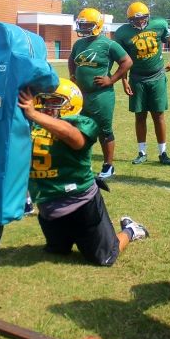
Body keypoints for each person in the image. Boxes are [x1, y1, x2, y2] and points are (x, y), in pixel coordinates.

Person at [19, 78, 149, 266]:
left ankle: (131, 230)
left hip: (80, 203)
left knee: (105, 257)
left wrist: (34, 115)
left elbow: (75, 139)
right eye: (45, 100)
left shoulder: (83, 123)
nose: (47, 106)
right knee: (58, 251)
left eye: (55, 101)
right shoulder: (32, 124)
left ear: (71, 104)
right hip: (48, 205)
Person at [68, 8, 133, 180]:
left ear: (97, 25)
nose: (83, 28)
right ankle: (84, 165)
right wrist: (73, 76)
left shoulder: (108, 44)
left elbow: (127, 61)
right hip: (81, 95)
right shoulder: (78, 44)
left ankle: (108, 166)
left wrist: (111, 80)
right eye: (82, 25)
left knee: (104, 130)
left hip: (101, 95)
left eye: (87, 25)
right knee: (81, 129)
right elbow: (71, 59)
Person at [113, 2, 170, 166]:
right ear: (129, 20)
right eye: (136, 19)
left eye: (143, 18)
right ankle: (142, 152)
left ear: (148, 16)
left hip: (157, 76)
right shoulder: (122, 33)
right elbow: (123, 59)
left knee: (159, 115)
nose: (140, 22)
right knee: (140, 115)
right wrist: (124, 80)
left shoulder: (159, 24)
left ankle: (163, 152)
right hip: (137, 78)